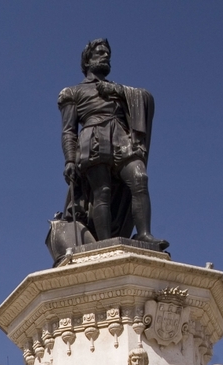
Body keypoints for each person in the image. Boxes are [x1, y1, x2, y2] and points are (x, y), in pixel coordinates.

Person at [58, 39, 167, 251]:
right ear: (87, 61)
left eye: (107, 53)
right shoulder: (71, 92)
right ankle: (105, 244)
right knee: (102, 192)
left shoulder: (118, 90)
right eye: (100, 53)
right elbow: (69, 130)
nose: (106, 56)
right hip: (93, 137)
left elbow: (145, 99)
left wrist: (117, 91)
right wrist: (69, 159)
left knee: (139, 178)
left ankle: (144, 234)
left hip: (121, 136)